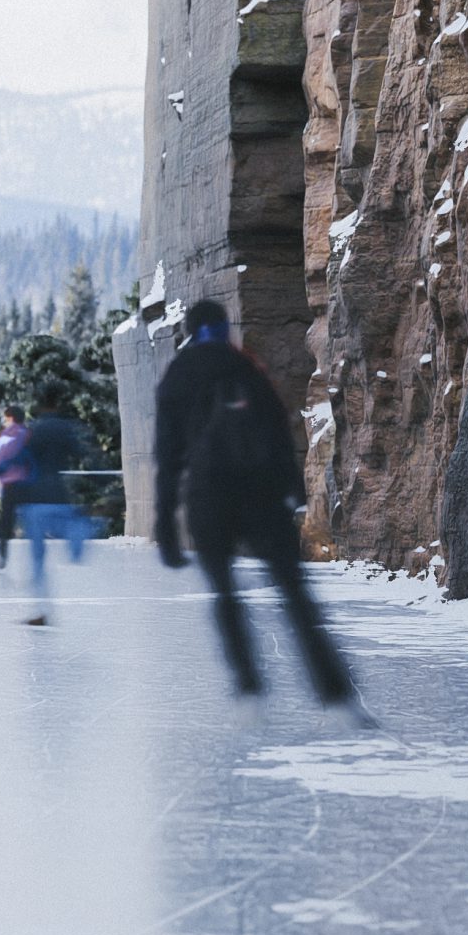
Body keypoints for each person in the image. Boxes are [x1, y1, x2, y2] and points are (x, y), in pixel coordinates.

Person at [153, 298, 356, 707]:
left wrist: (165, 524)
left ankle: (248, 684)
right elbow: (279, 430)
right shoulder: (246, 366)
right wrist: (293, 493)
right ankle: (333, 689)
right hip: (260, 494)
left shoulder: (178, 374)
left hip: (208, 495)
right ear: (224, 327)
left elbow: (168, 454)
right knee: (294, 592)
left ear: (189, 330)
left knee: (225, 591)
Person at [15, 384, 93, 621]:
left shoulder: (33, 431)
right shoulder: (65, 429)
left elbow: (21, 462)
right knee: (71, 535)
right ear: (57, 403)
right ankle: (84, 531)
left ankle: (42, 610)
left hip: (34, 501)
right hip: (58, 496)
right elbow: (84, 455)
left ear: (40, 405)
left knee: (37, 560)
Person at [0, 404, 29, 569]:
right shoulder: (27, 434)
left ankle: (3, 550)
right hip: (26, 483)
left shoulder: (4, 436)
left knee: (7, 517)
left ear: (10, 418)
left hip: (8, 483)